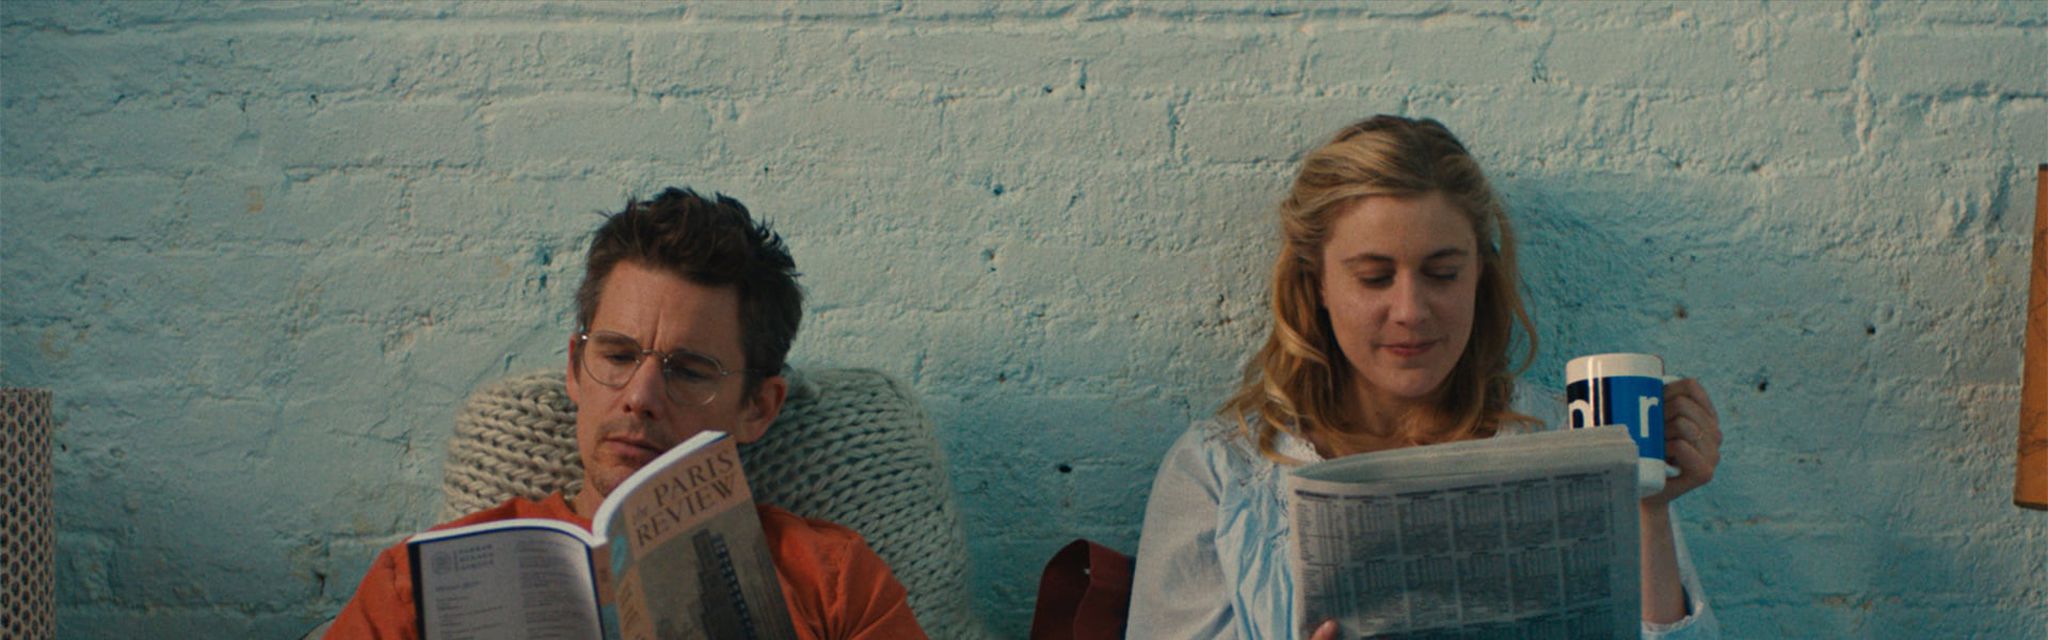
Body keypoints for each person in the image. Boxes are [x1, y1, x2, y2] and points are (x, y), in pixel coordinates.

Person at [1127, 116, 1723, 640]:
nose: (1410, 311)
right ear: (1317, 283)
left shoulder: (1576, 437)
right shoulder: (1222, 474)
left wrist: (1647, 507)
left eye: (1442, 274)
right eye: (1374, 277)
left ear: (1479, 275)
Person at [327, 188, 927, 639]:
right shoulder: (424, 582)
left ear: (758, 407)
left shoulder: (832, 580)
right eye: (616, 356)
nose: (640, 396)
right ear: (574, 368)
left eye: (688, 370)